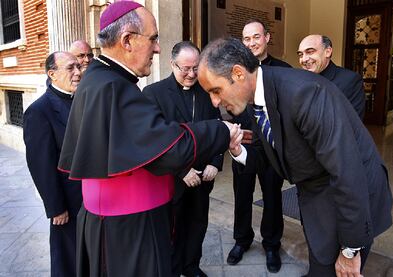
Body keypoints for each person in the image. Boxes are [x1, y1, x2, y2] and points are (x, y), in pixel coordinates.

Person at [58, 2, 241, 277]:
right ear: (128, 40)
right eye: (153, 38)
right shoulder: (113, 87)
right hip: (129, 228)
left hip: (120, 223)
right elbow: (170, 148)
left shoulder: (102, 79)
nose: (157, 47)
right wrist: (222, 131)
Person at [197, 37, 393, 277]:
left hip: (349, 195)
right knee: (321, 261)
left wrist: (350, 249)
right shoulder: (254, 99)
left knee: (333, 269)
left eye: (216, 91)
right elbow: (266, 155)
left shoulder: (305, 94)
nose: (215, 101)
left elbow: (347, 172)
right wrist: (238, 151)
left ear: (238, 73)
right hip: (317, 193)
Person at [143, 41, 222, 277]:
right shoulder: (153, 93)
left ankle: (191, 266)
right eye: (185, 68)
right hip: (172, 179)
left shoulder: (207, 92)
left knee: (198, 224)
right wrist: (180, 170)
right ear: (172, 64)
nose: (191, 74)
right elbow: (153, 140)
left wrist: (215, 162)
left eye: (195, 68)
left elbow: (218, 129)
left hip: (202, 176)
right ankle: (172, 269)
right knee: (171, 229)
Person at [226, 18, 290, 273]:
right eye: (246, 38)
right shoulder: (234, 71)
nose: (251, 42)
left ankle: (272, 244)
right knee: (242, 195)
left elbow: (287, 112)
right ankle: (242, 240)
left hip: (272, 151)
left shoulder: (283, 71)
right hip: (243, 145)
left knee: (272, 198)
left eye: (256, 36)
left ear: (267, 38)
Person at [23, 51, 83, 277]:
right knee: (67, 259)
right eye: (70, 68)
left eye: (78, 66)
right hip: (66, 202)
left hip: (90, 199)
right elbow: (41, 165)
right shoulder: (39, 111)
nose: (78, 72)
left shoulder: (81, 100)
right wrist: (56, 207)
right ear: (52, 74)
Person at [297, 34, 365, 119]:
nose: (304, 59)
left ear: (328, 52)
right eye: (300, 55)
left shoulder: (350, 80)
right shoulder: (298, 80)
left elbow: (353, 122)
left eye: (310, 52)